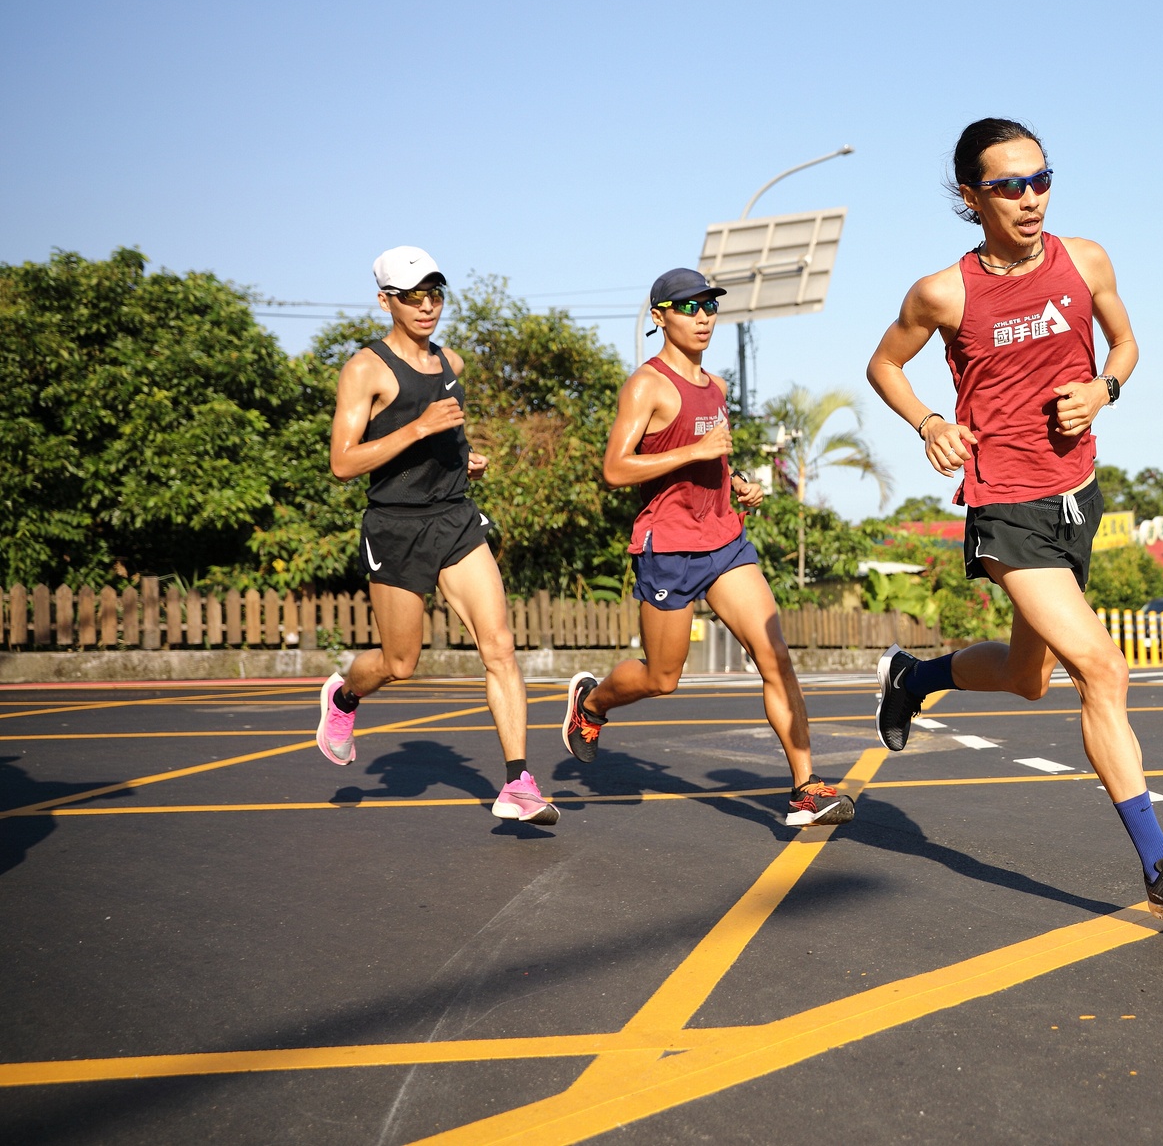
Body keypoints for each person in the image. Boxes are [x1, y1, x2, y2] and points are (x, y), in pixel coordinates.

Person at [864, 118, 1163, 927]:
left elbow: (1126, 343)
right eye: (1009, 186)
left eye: (1041, 179)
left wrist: (1104, 389)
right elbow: (884, 364)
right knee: (1103, 669)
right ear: (973, 197)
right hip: (1004, 506)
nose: (1031, 198)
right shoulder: (944, 292)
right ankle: (1162, 867)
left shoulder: (1087, 259)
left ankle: (912, 679)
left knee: (1027, 677)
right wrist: (930, 422)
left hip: (1075, 497)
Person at [557, 268, 852, 829]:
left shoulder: (715, 385)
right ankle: (591, 704)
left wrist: (736, 480)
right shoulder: (646, 385)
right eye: (689, 307)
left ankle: (806, 789)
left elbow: (711, 454)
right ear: (659, 316)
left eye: (710, 306)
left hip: (724, 540)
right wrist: (694, 452)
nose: (703, 318)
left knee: (775, 658)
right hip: (668, 547)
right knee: (662, 678)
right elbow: (616, 468)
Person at [318, 246, 559, 826]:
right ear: (386, 302)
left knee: (499, 645)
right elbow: (343, 463)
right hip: (395, 527)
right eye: (412, 297)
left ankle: (518, 783)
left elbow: (443, 439)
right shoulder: (365, 369)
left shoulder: (450, 361)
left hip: (455, 518)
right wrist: (419, 428)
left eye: (435, 294)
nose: (427, 306)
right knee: (400, 663)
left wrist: (461, 458)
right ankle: (344, 696)